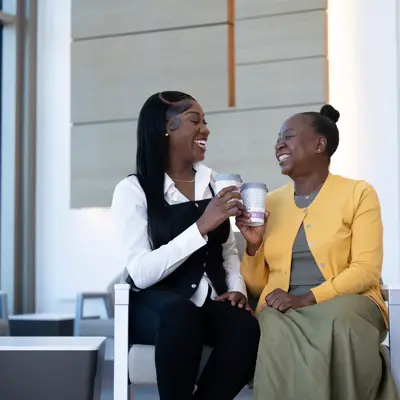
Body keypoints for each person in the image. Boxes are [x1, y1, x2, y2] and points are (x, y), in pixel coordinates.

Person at [236, 105, 398, 400]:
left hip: (350, 302)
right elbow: (257, 286)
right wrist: (253, 245)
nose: (279, 145)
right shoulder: (269, 203)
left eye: (288, 136)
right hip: (282, 307)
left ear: (319, 144)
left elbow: (366, 271)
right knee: (270, 321)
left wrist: (306, 298)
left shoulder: (358, 193)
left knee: (341, 321)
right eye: (277, 139)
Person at [111, 91, 260, 400]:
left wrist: (236, 290)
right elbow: (140, 273)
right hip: (154, 305)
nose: (205, 129)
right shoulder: (133, 190)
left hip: (208, 302)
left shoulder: (215, 181)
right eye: (195, 120)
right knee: (180, 314)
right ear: (166, 127)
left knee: (244, 326)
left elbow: (228, 252)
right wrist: (202, 226)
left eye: (205, 121)